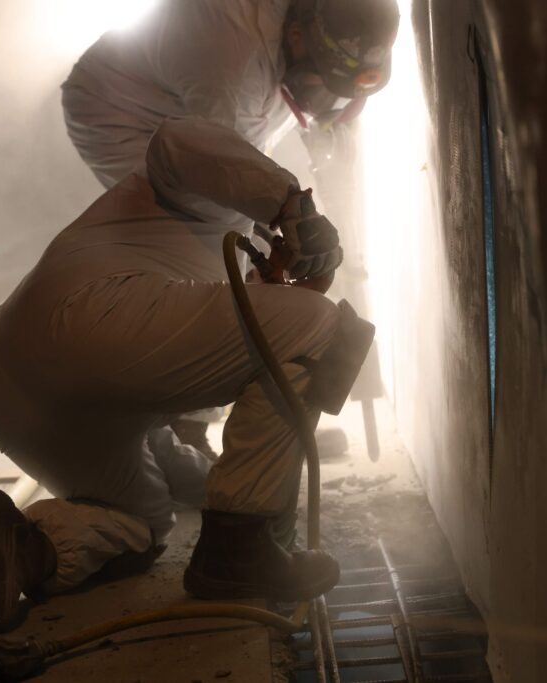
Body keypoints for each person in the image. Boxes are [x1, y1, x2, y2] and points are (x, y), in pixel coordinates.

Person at [0, 118, 374, 634]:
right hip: (90, 326)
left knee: (145, 523)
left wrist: (222, 483)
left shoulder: (193, 308)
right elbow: (176, 141)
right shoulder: (215, 200)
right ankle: (238, 550)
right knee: (327, 329)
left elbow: (178, 460)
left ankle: (27, 550)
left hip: (6, 393)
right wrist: (292, 205)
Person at [61, 0, 399, 462]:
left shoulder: (310, 27)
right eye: (320, 84)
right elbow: (220, 171)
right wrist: (288, 219)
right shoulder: (235, 60)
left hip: (192, 94)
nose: (324, 102)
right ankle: (188, 429)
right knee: (211, 243)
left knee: (255, 240)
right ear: (299, 37)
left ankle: (269, 420)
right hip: (120, 111)